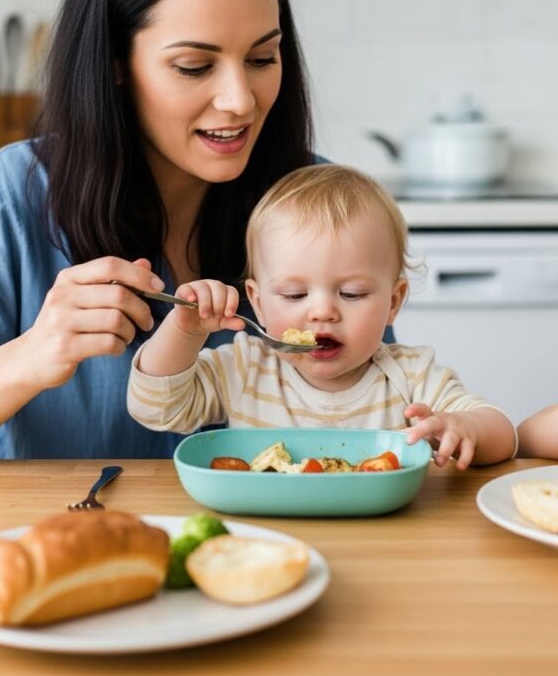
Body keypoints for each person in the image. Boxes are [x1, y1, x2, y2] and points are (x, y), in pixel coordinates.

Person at [0, 0, 317, 459]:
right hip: (78, 537)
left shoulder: (317, 204)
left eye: (263, 58)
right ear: (115, 63)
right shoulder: (10, 196)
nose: (240, 100)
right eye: (194, 66)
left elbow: (374, 412)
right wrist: (34, 353)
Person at [127, 164, 517, 469]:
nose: (322, 312)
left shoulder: (411, 375)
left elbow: (503, 433)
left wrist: (463, 429)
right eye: (295, 294)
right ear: (257, 302)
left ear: (393, 302)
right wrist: (184, 331)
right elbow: (157, 409)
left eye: (352, 293)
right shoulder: (246, 367)